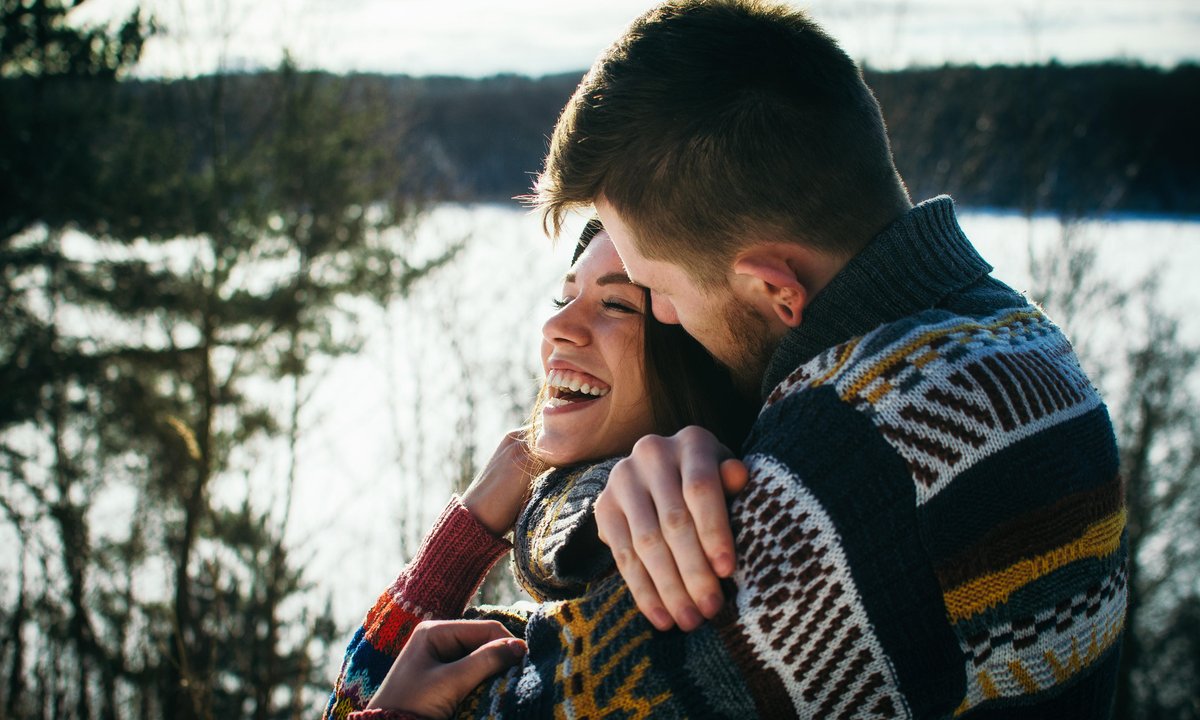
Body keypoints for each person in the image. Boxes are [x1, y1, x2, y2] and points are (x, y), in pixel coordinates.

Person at [365, 0, 1126, 718]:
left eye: (656, 291)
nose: (667, 316)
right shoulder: (1018, 335)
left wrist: (467, 549)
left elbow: (420, 697)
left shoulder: (832, 488)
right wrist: (588, 500)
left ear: (774, 289)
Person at [322, 218, 754, 720]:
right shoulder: (539, 621)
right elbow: (358, 701)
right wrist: (462, 538)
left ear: (698, 352)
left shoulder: (671, 587)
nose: (555, 327)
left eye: (616, 305)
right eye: (563, 299)